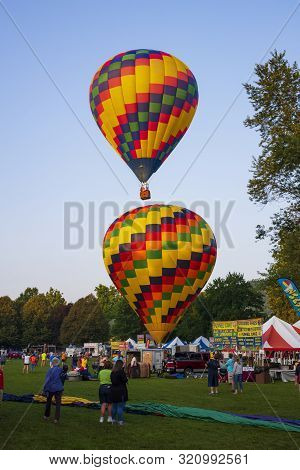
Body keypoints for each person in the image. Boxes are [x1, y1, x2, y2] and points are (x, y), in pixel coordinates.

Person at [43, 357, 64, 423]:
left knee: (48, 402)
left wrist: (44, 389)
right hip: (58, 388)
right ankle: (56, 419)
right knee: (58, 404)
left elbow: (47, 380)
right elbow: (63, 379)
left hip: (51, 388)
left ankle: (46, 415)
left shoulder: (50, 370)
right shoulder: (60, 370)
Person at [110, 360, 128, 425]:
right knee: (120, 406)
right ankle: (120, 421)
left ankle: (113, 420)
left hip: (113, 390)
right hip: (121, 391)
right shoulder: (121, 372)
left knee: (114, 406)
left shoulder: (112, 372)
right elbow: (125, 380)